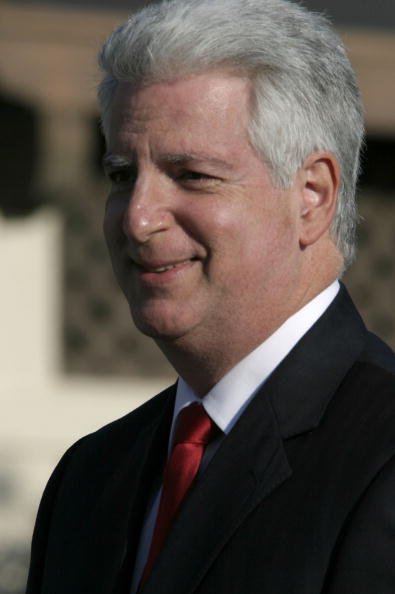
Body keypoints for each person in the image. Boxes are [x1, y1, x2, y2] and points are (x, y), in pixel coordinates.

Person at [26, 0, 395, 593]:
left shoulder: (380, 458)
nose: (138, 219)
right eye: (121, 174)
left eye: (192, 175)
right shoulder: (89, 478)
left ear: (312, 196)